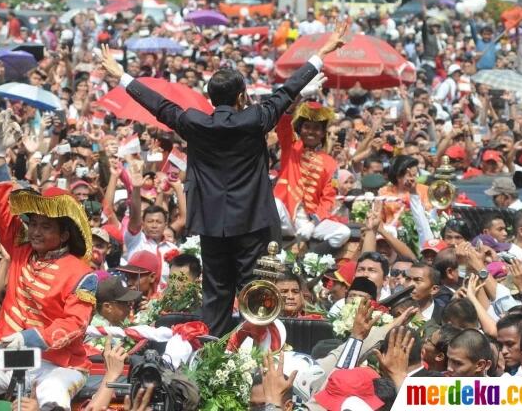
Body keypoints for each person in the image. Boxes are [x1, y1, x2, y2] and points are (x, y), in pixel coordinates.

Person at [100, 24, 350, 336]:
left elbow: (159, 105)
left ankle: (209, 351)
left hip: (212, 222)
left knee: (216, 295)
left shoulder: (194, 121)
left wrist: (121, 75)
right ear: (242, 95)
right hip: (251, 221)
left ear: (210, 97)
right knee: (253, 291)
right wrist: (321, 53)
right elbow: (287, 91)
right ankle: (253, 355)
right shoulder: (256, 117)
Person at [0, 113, 97, 409]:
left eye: (46, 226)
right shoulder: (21, 246)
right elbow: (3, 204)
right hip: (9, 356)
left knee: (52, 397)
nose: (36, 232)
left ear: (65, 235)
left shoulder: (82, 274)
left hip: (58, 365)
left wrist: (32, 338)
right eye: (34, 224)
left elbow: (75, 324)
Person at [274, 101, 351, 249]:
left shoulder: (331, 163)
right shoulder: (291, 147)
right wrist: (296, 101)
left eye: (316, 128)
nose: (311, 131)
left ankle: (312, 260)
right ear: (300, 129)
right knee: (274, 204)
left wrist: (313, 223)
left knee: (343, 232)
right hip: (287, 214)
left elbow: (328, 199)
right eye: (307, 127)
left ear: (322, 133)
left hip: (310, 219)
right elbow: (283, 126)